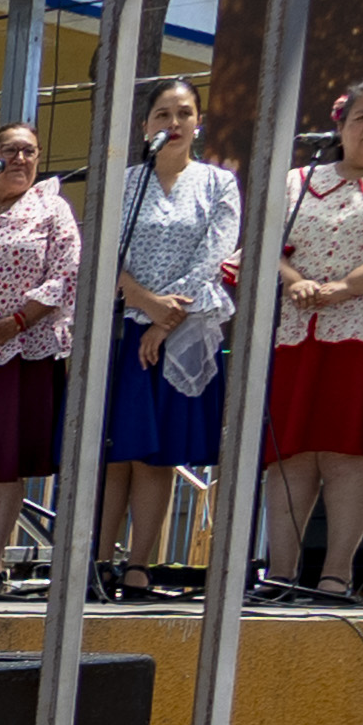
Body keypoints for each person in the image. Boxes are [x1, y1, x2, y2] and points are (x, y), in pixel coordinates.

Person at [261, 77, 363, 603]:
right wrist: (296, 282)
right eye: (362, 116)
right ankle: (279, 574)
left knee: (350, 451)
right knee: (290, 453)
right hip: (298, 334)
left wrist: (344, 288)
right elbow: (264, 243)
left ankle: (335, 576)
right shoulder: (298, 180)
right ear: (341, 125)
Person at [99, 78, 241, 601]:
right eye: (162, 114)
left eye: (184, 113)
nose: (173, 123)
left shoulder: (218, 183)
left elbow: (216, 254)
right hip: (122, 328)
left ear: (198, 123)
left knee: (153, 454)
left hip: (181, 331)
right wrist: (142, 300)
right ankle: (97, 562)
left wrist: (164, 319)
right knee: (114, 451)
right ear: (145, 126)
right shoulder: (124, 183)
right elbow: (104, 250)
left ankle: (138, 565)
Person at [0, 124, 78, 597]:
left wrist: (14, 323)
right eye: (11, 150)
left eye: (30, 151)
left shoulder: (51, 209)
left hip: (24, 349)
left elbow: (66, 273)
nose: (22, 158)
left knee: (5, 462)